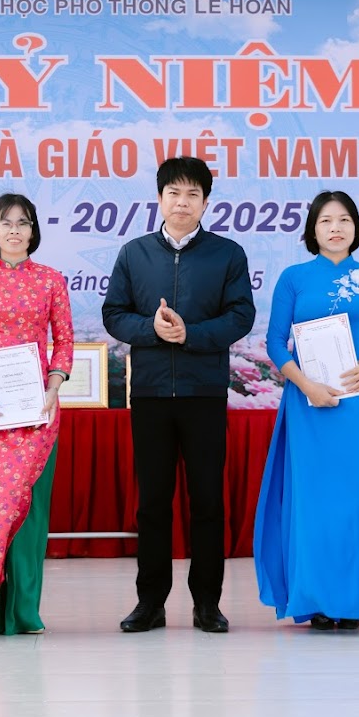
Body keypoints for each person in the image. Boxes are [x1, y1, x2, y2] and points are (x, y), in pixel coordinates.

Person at [103, 156, 255, 634]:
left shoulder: (227, 254)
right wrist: (151, 329)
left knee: (207, 500)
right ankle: (150, 602)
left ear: (206, 202)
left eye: (193, 194)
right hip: (150, 394)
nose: (182, 202)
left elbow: (241, 316)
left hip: (203, 392)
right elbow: (113, 314)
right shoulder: (134, 253)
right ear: (159, 198)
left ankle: (207, 603)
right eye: (174, 193)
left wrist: (191, 334)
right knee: (152, 503)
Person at [253, 191, 359, 630]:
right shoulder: (294, 278)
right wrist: (307, 386)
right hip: (308, 405)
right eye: (326, 221)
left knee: (357, 502)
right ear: (312, 230)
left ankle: (352, 600)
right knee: (313, 503)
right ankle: (315, 598)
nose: (336, 228)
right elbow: (275, 342)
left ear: (356, 227)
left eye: (344, 220)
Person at [0, 193, 74, 636]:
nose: (15, 230)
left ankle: (24, 611)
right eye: (6, 223)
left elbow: (64, 340)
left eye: (23, 223)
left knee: (29, 512)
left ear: (33, 230)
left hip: (36, 410)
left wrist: (53, 387)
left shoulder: (51, 280)